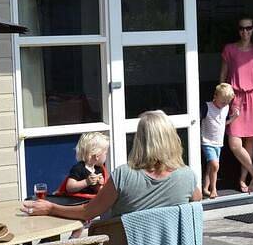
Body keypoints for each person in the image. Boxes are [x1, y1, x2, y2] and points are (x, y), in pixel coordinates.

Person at [22, 109, 201, 222]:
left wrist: (51, 208)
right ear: (172, 139)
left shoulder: (123, 175)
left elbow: (87, 212)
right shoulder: (187, 176)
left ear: (139, 140)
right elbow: (196, 201)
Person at [220, 15, 253, 192]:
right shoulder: (229, 49)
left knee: (250, 143)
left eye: (248, 28)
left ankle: (243, 180)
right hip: (236, 98)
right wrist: (222, 97)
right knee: (234, 143)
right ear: (238, 30)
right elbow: (223, 74)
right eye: (241, 28)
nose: (245, 31)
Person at [200, 83, 239, 199]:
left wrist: (233, 118)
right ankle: (214, 189)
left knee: (210, 167)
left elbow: (222, 123)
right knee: (215, 165)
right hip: (207, 141)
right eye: (222, 102)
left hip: (218, 142)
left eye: (227, 103)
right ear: (215, 96)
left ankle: (205, 188)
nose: (224, 105)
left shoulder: (225, 108)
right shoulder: (207, 107)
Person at [63, 132, 110, 197]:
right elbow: (69, 187)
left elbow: (98, 191)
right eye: (105, 153)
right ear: (97, 156)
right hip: (77, 201)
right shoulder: (79, 168)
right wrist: (87, 182)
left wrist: (99, 184)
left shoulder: (99, 169)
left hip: (91, 202)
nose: (106, 156)